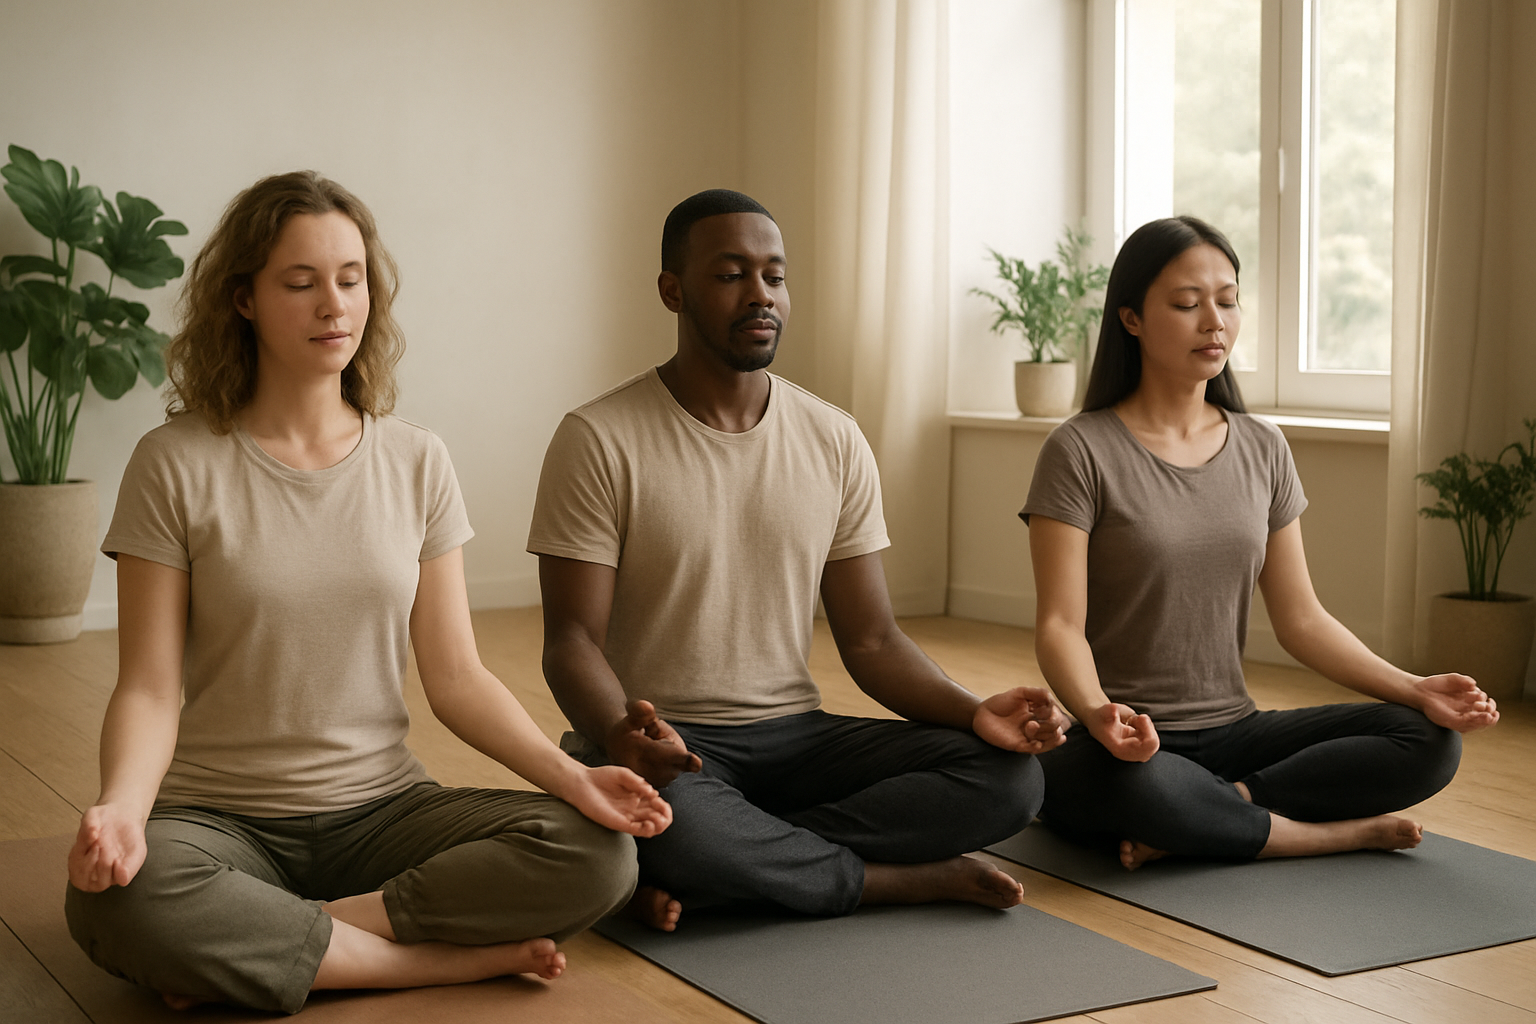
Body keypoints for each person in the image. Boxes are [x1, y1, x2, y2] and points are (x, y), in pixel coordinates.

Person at [64, 171, 671, 1014]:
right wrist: (124, 812)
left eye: (350, 280)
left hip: (382, 813)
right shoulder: (175, 464)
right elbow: (149, 685)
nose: (333, 306)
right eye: (300, 283)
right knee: (115, 898)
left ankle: (303, 938)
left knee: (599, 854)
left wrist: (576, 782)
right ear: (243, 300)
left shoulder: (417, 461)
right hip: (218, 819)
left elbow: (456, 677)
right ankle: (416, 963)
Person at [528, 188, 1066, 932]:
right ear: (672, 290)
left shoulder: (834, 438)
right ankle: (892, 880)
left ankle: (739, 866)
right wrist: (620, 730)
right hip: (672, 746)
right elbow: (571, 642)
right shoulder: (598, 438)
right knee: (674, 816)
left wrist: (975, 712)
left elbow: (873, 640)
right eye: (731, 275)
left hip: (798, 739)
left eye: (774, 276)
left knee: (1009, 781)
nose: (761, 295)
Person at [1024, 215, 1499, 871]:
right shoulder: (1078, 450)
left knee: (1429, 739)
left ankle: (1219, 813)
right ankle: (1319, 835)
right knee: (1100, 781)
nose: (1214, 321)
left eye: (1227, 300)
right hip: (1128, 739)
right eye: (1188, 304)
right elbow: (1059, 624)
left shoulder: (1262, 446)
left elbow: (1301, 619)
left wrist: (1414, 688)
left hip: (1236, 732)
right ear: (1130, 319)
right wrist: (1098, 712)